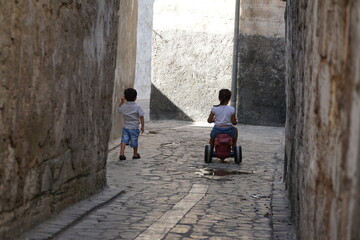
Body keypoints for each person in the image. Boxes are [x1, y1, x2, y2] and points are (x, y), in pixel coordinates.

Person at [118, 88, 145, 160]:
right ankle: (135, 154)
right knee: (134, 140)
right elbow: (141, 116)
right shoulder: (137, 107)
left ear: (125, 97)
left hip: (126, 128)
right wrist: (142, 126)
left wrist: (122, 102)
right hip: (134, 128)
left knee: (124, 140)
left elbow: (119, 109)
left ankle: (122, 153)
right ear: (135, 98)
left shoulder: (124, 106)